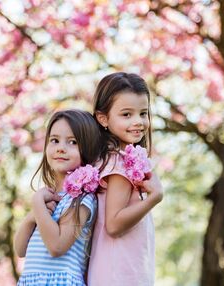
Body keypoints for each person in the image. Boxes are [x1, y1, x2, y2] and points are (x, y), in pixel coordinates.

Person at [88, 72, 164, 286]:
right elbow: (113, 224)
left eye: (143, 113)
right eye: (126, 114)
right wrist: (153, 199)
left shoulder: (119, 159)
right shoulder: (118, 163)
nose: (138, 122)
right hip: (119, 276)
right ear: (103, 118)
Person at [14, 109, 101, 286]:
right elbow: (20, 249)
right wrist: (32, 217)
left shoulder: (81, 198)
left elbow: (57, 246)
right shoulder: (49, 198)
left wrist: (37, 203)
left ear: (88, 148)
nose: (61, 148)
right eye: (55, 140)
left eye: (72, 142)